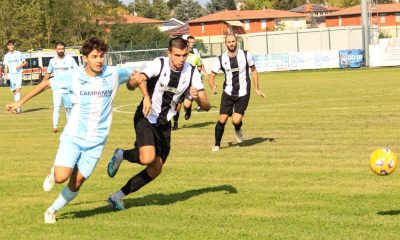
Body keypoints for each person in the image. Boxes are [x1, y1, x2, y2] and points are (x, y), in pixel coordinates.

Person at [6, 38, 140, 224]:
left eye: (102, 56)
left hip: (97, 141)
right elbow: (45, 84)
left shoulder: (114, 73)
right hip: (74, 137)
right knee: (61, 177)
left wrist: (145, 94)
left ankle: (51, 211)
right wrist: (20, 102)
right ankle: (54, 173)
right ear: (85, 58)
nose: (99, 60)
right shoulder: (74, 76)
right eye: (94, 57)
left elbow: (137, 76)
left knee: (76, 183)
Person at [106, 37, 211, 211]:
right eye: (177, 55)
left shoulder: (192, 72)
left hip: (164, 124)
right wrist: (142, 91)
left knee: (155, 169)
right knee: (147, 157)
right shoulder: (159, 64)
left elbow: (206, 106)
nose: (181, 59)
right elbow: (139, 80)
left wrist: (198, 96)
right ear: (169, 53)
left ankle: (117, 196)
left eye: (184, 55)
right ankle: (121, 155)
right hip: (145, 117)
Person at [208, 34, 265, 152]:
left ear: (237, 42)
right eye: (229, 42)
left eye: (233, 41)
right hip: (228, 93)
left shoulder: (245, 55)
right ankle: (217, 145)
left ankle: (238, 129)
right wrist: (212, 86)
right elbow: (211, 75)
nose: (231, 44)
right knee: (222, 119)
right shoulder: (220, 59)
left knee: (236, 120)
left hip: (243, 92)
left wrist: (257, 88)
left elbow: (253, 70)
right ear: (225, 44)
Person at [172, 35, 209, 130]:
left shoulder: (195, 57)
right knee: (177, 107)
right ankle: (175, 124)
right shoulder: (178, 57)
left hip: (190, 85)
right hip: (179, 85)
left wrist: (199, 76)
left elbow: (199, 66)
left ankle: (188, 110)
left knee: (186, 104)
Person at [42, 41, 80, 133]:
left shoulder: (70, 59)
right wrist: (42, 84)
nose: (60, 50)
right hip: (57, 88)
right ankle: (54, 127)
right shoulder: (52, 61)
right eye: (59, 49)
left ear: (64, 49)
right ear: (56, 50)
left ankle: (69, 127)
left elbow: (78, 71)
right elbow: (48, 73)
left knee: (68, 109)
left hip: (68, 89)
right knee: (57, 108)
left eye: (62, 49)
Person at [3, 40, 28, 114]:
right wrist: (6, 74)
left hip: (18, 74)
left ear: (14, 46)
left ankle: (18, 108)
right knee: (14, 91)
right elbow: (6, 66)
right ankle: (17, 107)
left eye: (12, 45)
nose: (11, 46)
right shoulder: (6, 56)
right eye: (9, 45)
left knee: (18, 90)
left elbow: (25, 62)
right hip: (11, 75)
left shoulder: (19, 53)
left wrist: (20, 65)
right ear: (7, 46)